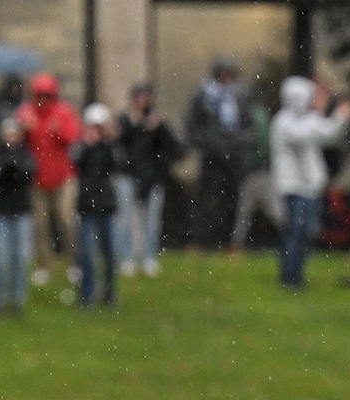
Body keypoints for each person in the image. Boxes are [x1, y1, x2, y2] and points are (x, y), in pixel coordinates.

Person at [271, 77, 350, 290]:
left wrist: (340, 118)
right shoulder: (284, 121)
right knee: (296, 231)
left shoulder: (307, 120)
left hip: (309, 188)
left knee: (308, 232)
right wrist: (335, 117)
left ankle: (296, 276)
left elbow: (331, 134)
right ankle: (290, 278)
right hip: (293, 187)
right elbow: (304, 135)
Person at [15, 73, 80, 287]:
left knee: (66, 220)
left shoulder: (64, 113)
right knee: (40, 225)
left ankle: (74, 263)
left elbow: (74, 138)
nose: (43, 100)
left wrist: (58, 130)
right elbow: (11, 140)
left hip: (64, 177)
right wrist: (23, 130)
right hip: (37, 179)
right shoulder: (26, 114)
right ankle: (44, 266)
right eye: (39, 96)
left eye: (47, 96)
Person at [115, 83, 179, 278]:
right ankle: (126, 258)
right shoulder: (125, 120)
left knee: (152, 221)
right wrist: (133, 126)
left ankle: (149, 257)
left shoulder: (158, 123)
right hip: (128, 176)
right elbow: (118, 145)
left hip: (153, 178)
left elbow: (176, 148)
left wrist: (158, 127)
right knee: (125, 220)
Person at [186, 57, 251, 250]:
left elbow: (250, 128)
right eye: (222, 74)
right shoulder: (204, 95)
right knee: (205, 198)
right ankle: (197, 240)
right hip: (212, 154)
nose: (225, 78)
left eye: (229, 75)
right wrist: (210, 143)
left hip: (233, 156)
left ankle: (229, 242)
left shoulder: (240, 96)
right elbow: (192, 126)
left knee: (232, 199)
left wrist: (235, 144)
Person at [0, 117, 37, 312]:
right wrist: (8, 164)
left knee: (20, 257)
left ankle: (17, 300)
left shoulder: (25, 153)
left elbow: (29, 172)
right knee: (1, 257)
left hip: (21, 211)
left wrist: (14, 165)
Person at [71, 104, 121, 308]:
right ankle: (87, 294)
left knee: (109, 254)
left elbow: (119, 162)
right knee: (87, 254)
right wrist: (87, 144)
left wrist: (109, 141)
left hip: (106, 206)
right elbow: (75, 160)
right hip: (87, 206)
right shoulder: (82, 147)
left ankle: (109, 293)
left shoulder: (109, 148)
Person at [229, 97, 280, 252]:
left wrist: (250, 163)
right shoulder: (261, 115)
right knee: (270, 211)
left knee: (247, 212)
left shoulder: (254, 117)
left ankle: (235, 246)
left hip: (256, 172)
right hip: (261, 171)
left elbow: (260, 146)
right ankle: (296, 238)